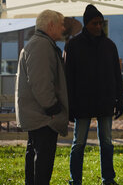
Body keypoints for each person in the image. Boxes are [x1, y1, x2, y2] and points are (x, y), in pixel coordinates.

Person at [65, 4, 123, 185]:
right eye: (94, 23)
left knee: (106, 142)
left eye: (101, 23)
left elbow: (117, 74)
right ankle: (75, 179)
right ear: (86, 24)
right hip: (82, 102)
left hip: (104, 100)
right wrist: (70, 105)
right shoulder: (73, 45)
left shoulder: (109, 46)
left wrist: (120, 99)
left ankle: (108, 178)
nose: (98, 26)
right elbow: (68, 77)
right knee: (79, 143)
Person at [15, 10, 68, 185]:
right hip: (43, 116)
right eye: (60, 23)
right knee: (43, 164)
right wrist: (52, 107)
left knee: (35, 158)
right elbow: (41, 81)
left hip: (38, 115)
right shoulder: (42, 45)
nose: (63, 27)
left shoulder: (38, 43)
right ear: (50, 25)